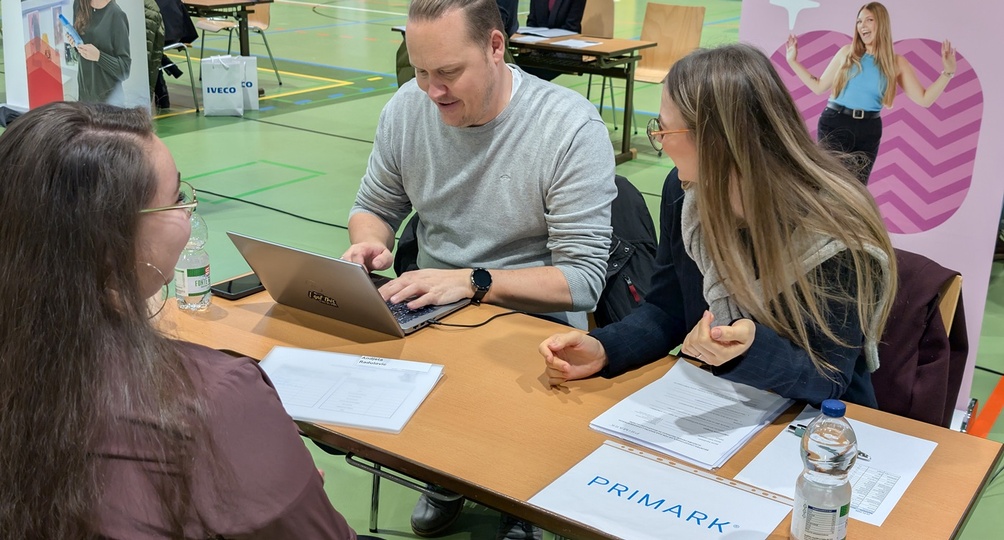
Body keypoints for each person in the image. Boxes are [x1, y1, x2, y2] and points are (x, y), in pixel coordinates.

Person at [0, 102, 380, 539]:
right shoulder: (214, 397)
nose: (187, 214)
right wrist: (287, 492)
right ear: (113, 238)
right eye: (176, 200)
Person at [343, 0, 616, 536]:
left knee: (505, 417)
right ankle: (444, 470)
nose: (433, 90)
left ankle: (520, 493)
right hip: (427, 306)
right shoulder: (407, 108)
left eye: (448, 72)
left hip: (532, 320)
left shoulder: (567, 126)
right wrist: (369, 243)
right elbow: (374, 206)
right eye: (421, 72)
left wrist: (473, 282)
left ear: (495, 47)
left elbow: (582, 280)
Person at [539, 43, 898, 411]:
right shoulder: (686, 194)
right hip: (724, 402)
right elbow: (668, 308)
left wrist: (753, 348)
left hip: (819, 420)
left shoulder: (835, 229)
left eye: (664, 130)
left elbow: (829, 377)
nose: (658, 140)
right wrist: (605, 348)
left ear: (716, 141)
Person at [785, 2, 956, 184]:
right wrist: (792, 61)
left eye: (869, 20)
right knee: (830, 185)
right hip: (835, 122)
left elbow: (924, 99)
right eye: (859, 21)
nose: (862, 26)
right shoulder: (847, 53)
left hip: (869, 129)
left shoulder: (896, 63)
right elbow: (819, 86)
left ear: (881, 24)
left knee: (857, 191)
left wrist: (948, 72)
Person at [72, 0, 132, 106]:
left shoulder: (117, 15)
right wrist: (75, 46)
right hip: (84, 99)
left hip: (110, 104)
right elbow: (77, 57)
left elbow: (124, 70)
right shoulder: (79, 4)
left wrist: (99, 56)